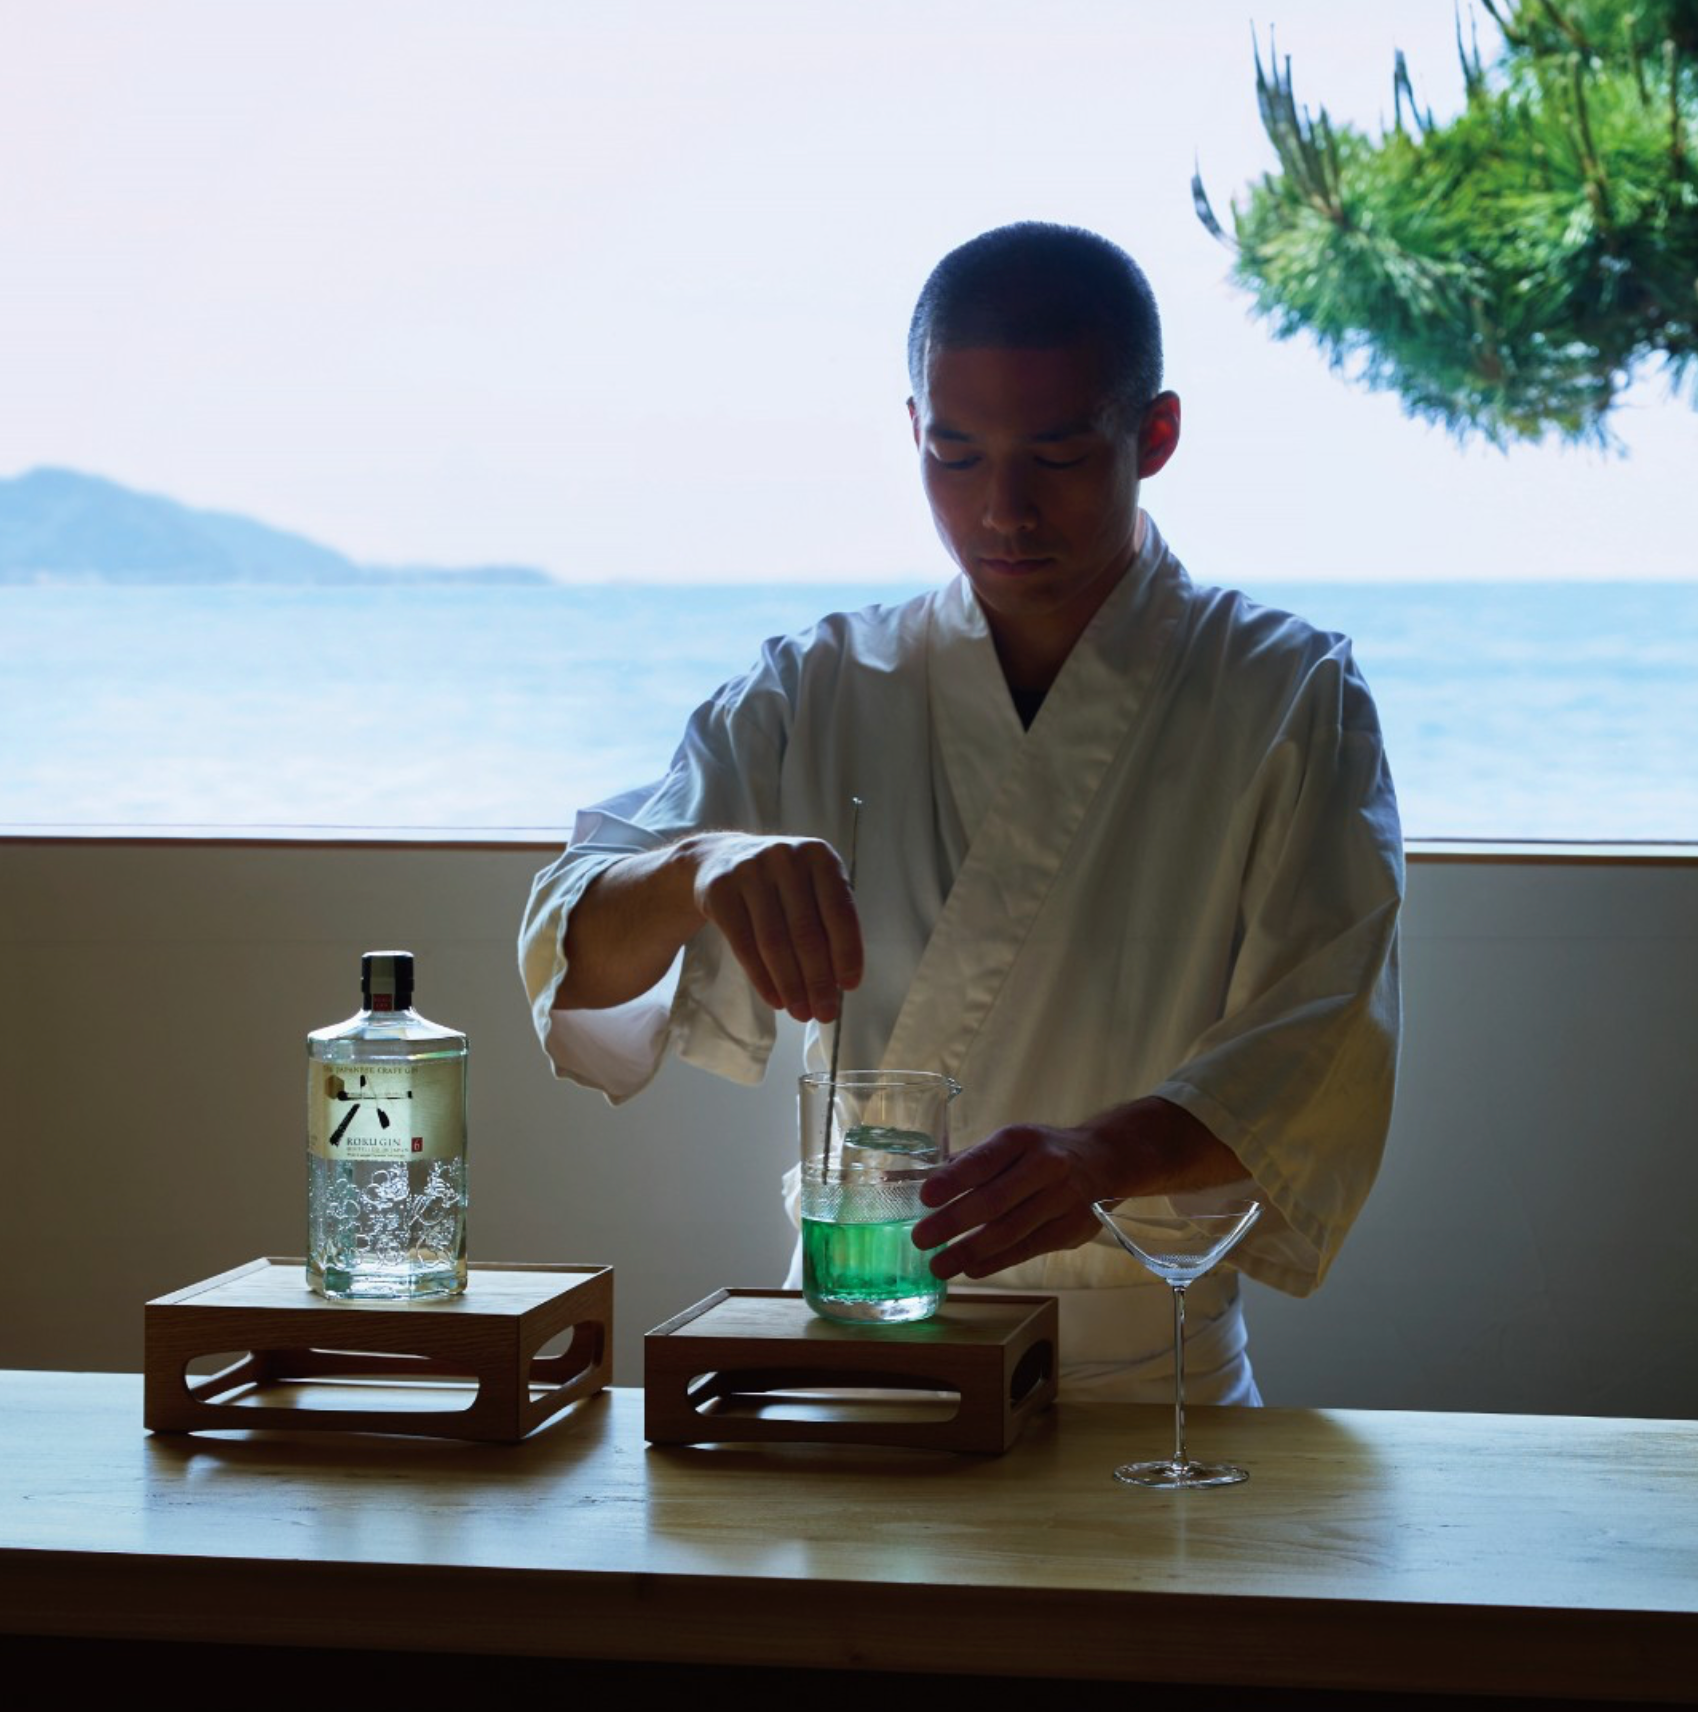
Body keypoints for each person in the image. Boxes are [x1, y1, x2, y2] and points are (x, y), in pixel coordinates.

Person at [518, 222, 1403, 1402]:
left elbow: (1321, 1035)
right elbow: (572, 953)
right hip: (852, 1358)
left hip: (1146, 1386)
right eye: (956, 454)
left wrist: (1104, 1156)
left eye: (1058, 455)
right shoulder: (821, 686)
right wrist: (699, 867)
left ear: (1154, 435)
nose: (1003, 511)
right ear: (914, 431)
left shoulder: (1286, 694)